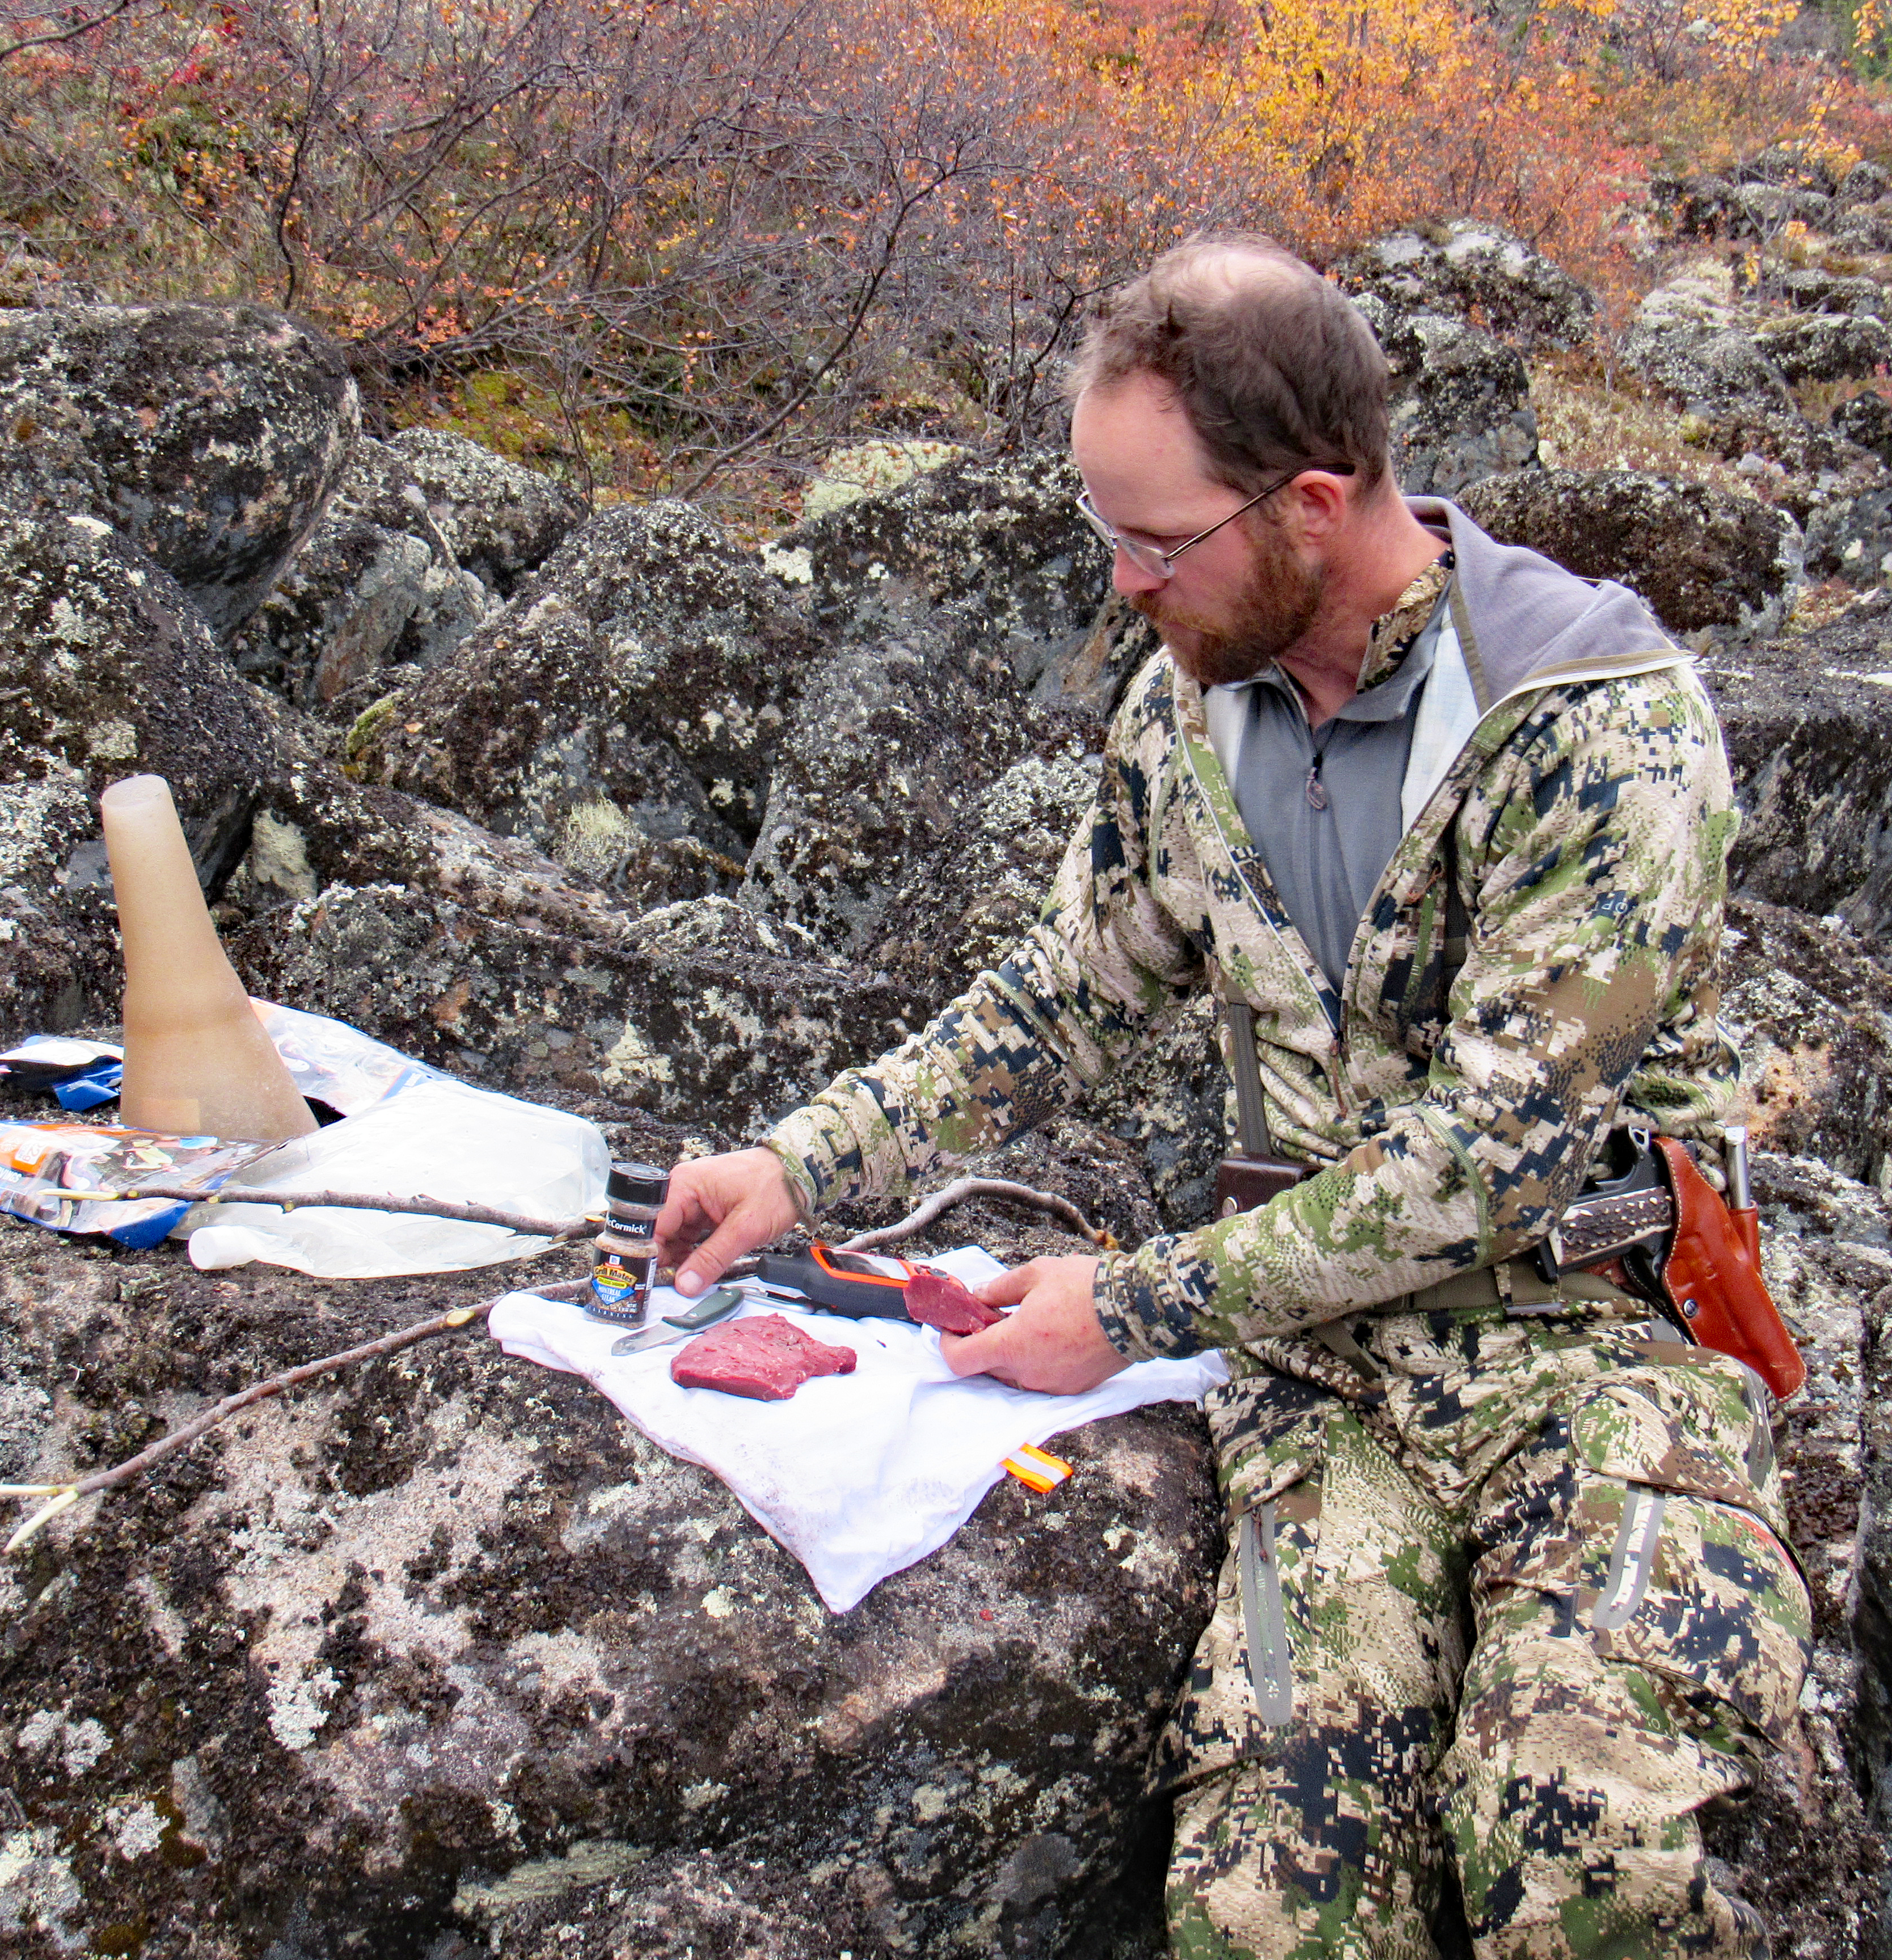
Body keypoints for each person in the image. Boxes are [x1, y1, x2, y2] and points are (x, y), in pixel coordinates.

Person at [658, 233, 1809, 1958]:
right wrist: (798, 1164)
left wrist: (1126, 1309)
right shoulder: (1186, 712)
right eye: (1101, 531)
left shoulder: (1594, 726)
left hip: (1593, 1347)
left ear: (1316, 505)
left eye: (1158, 540)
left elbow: (1488, 1161)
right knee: (1270, 1911)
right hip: (1325, 1381)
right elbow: (1064, 989)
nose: (1125, 583)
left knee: (1584, 1869)